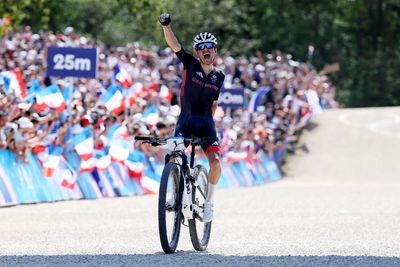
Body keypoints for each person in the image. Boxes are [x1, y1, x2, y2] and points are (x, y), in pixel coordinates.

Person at [159, 13, 225, 222]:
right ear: (197, 52)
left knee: (215, 162)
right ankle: (173, 193)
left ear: (215, 51)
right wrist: (165, 26)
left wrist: (209, 128)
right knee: (173, 153)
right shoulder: (189, 64)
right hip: (185, 121)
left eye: (209, 47)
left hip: (206, 123)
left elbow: (214, 103)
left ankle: (209, 203)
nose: (206, 50)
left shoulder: (219, 76)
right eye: (202, 47)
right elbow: (174, 44)